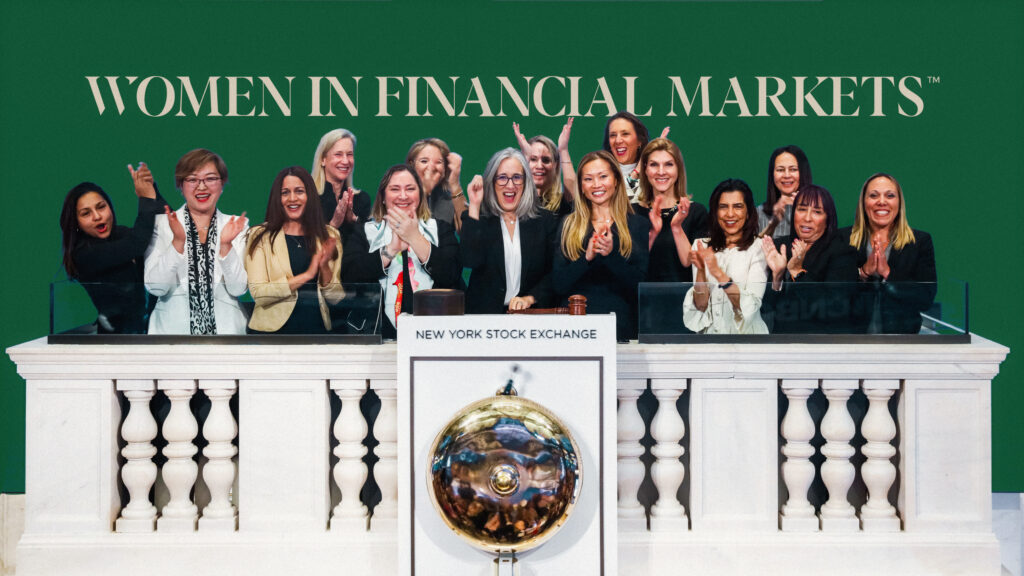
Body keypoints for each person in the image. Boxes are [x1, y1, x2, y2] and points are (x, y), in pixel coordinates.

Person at [341, 165, 461, 338]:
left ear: (420, 195)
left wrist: (415, 238)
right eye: (395, 189)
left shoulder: (440, 229)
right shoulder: (364, 232)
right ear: (383, 196)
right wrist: (391, 250)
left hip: (433, 336)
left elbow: (452, 273)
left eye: (410, 189)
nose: (403, 196)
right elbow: (349, 275)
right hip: (375, 335)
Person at [144, 149, 249, 335]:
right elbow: (156, 287)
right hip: (171, 337)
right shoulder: (161, 224)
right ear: (181, 186)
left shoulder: (236, 225)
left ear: (222, 184)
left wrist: (226, 246)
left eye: (210, 179)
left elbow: (238, 288)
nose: (202, 187)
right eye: (192, 180)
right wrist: (177, 242)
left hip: (226, 337)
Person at [58, 164, 168, 333]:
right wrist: (145, 199)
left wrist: (152, 189)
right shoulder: (83, 253)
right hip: (112, 340)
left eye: (101, 207)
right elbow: (136, 245)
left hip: (145, 331)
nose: (97, 216)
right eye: (86, 213)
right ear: (76, 222)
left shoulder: (121, 234)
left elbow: (163, 231)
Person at [552, 150, 649, 341]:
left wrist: (611, 255)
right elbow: (557, 285)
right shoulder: (567, 225)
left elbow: (640, 286)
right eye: (588, 179)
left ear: (616, 180)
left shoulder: (637, 224)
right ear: (581, 186)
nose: (596, 185)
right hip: (574, 330)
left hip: (619, 329)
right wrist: (586, 259)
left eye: (603, 176)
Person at [245, 166, 344, 334]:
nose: (292, 198)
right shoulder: (259, 236)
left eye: (299, 191)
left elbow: (335, 298)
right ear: (278, 198)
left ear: (309, 196)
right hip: (271, 333)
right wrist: (306, 275)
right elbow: (259, 294)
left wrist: (324, 266)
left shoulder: (329, 235)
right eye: (285, 193)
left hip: (315, 331)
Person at [461, 148, 558, 314]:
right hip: (484, 319)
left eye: (517, 178)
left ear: (526, 182)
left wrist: (530, 298)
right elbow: (470, 260)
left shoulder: (545, 221)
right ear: (492, 181)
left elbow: (554, 273)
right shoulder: (478, 218)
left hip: (530, 318)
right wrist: (475, 205)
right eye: (502, 178)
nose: (510, 185)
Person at [839, 173, 936, 333]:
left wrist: (888, 274)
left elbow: (926, 299)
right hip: (851, 342)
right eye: (873, 195)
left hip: (901, 344)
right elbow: (832, 296)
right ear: (864, 202)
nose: (882, 202)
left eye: (890, 195)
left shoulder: (920, 242)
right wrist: (863, 272)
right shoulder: (842, 238)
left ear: (899, 203)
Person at [760, 185, 859, 334]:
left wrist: (798, 272)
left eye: (817, 212)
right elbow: (765, 307)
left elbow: (834, 308)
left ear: (828, 219)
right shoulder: (781, 247)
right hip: (782, 344)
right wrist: (777, 277)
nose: (807, 218)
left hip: (822, 344)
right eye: (802, 209)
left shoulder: (842, 252)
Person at [683, 179, 768, 334]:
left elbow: (750, 307)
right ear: (715, 212)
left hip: (749, 341)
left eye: (738, 207)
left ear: (748, 212)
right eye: (723, 207)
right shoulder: (700, 246)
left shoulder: (760, 247)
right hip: (710, 342)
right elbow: (701, 306)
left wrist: (719, 274)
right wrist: (701, 271)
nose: (730, 214)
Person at [633, 137, 708, 283]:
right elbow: (632, 265)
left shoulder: (696, 212)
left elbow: (691, 263)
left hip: (685, 301)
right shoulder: (632, 213)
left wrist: (676, 227)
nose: (661, 172)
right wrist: (653, 233)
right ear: (645, 170)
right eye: (654, 165)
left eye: (668, 165)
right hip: (641, 302)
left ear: (678, 169)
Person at [512, 118, 576, 217]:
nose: (539, 166)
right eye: (533, 159)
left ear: (556, 165)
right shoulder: (512, 201)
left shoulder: (561, 204)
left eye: (546, 160)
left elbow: (574, 195)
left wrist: (563, 150)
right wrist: (524, 157)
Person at [311, 128, 370, 237]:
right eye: (338, 154)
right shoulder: (309, 199)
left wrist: (353, 219)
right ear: (323, 159)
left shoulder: (361, 200)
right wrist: (333, 225)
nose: (345, 161)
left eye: (349, 154)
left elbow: (370, 245)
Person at [601, 111, 669, 203]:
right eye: (613, 135)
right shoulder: (600, 172)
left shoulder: (652, 175)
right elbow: (616, 203)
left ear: (639, 141)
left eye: (625, 134)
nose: (618, 140)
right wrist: (636, 172)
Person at [406, 138, 466, 232]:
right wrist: (425, 190)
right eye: (424, 161)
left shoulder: (447, 197)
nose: (432, 167)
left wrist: (455, 184)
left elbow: (468, 233)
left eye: (438, 162)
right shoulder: (398, 192)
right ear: (412, 165)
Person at [759, 145, 813, 239]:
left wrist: (803, 208)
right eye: (780, 170)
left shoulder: (820, 210)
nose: (787, 175)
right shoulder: (759, 213)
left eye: (793, 169)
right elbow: (751, 251)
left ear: (803, 173)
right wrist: (772, 224)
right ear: (772, 175)